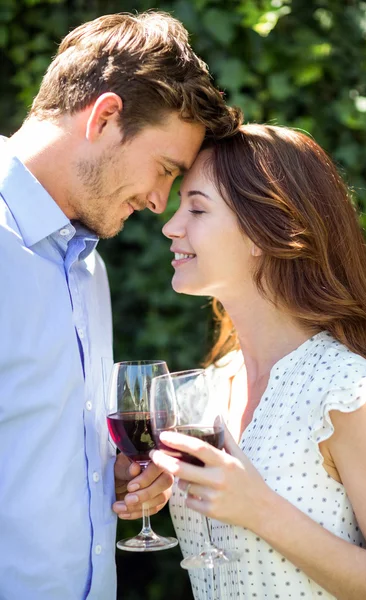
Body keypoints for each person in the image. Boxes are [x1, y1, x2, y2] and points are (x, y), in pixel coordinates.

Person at [0, 11, 241, 600]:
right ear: (105, 116)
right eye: (165, 169)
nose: (161, 203)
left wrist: (103, 476)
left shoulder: (88, 267)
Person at [150, 124, 366, 599]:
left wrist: (258, 508)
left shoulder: (346, 394)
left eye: (197, 208)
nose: (171, 225)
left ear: (264, 233)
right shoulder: (199, 394)